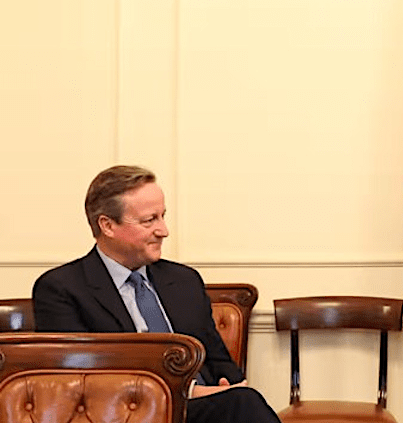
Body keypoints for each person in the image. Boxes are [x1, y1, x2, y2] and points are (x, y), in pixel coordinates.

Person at [33, 165, 281, 423]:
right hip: (128, 415)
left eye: (162, 216)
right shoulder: (62, 289)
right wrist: (189, 393)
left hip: (207, 411)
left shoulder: (184, 280)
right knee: (243, 402)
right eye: (149, 220)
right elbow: (80, 382)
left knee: (243, 398)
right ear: (107, 225)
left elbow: (217, 358)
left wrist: (230, 384)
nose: (164, 231)